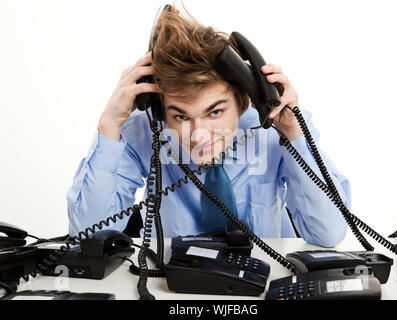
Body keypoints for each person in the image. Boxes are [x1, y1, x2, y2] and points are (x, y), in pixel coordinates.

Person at [67, 5, 350, 247]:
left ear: (243, 101)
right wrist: (109, 124)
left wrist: (293, 131)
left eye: (214, 112)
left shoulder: (271, 127)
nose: (198, 135)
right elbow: (87, 237)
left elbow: (329, 233)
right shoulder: (147, 129)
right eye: (180, 116)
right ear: (158, 106)